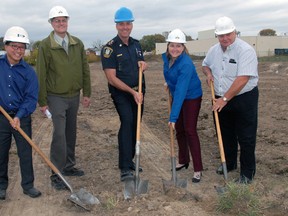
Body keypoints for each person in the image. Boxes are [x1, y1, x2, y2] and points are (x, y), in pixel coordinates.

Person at [36, 6, 91, 190]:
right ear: (51, 23)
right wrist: (42, 101)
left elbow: (85, 69)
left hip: (74, 96)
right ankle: (56, 172)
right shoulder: (45, 45)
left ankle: (69, 166)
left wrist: (87, 93)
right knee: (59, 134)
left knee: (70, 132)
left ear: (67, 21)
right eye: (57, 20)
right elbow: (41, 74)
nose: (61, 23)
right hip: (55, 97)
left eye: (64, 20)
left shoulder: (77, 43)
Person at [202, 16, 259, 184]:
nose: (225, 38)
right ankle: (230, 163)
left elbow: (243, 79)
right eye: (221, 35)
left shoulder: (245, 50)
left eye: (228, 34)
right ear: (217, 36)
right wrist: (208, 73)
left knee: (246, 136)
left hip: (243, 98)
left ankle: (247, 173)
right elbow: (205, 64)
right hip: (220, 97)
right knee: (226, 134)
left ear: (235, 32)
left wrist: (224, 99)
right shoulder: (214, 50)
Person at [101, 7, 148, 182]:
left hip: (139, 91)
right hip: (121, 92)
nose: (125, 27)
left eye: (128, 23)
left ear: (132, 25)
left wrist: (144, 66)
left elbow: (141, 63)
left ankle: (130, 160)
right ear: (116, 26)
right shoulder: (109, 48)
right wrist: (131, 92)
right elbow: (111, 78)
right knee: (127, 122)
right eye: (121, 24)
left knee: (136, 124)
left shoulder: (137, 44)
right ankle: (125, 167)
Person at [0, 26, 41, 199]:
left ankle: (28, 185)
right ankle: (1, 186)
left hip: (21, 117)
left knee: (25, 152)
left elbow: (31, 98)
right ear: (6, 46)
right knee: (1, 153)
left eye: (22, 47)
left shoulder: (29, 72)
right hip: (1, 117)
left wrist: (18, 116)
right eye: (14, 46)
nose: (18, 50)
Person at [162, 29, 203, 183]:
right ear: (168, 46)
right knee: (179, 129)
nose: (175, 49)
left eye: (179, 46)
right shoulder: (167, 59)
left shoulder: (186, 63)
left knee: (190, 130)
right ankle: (183, 160)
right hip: (177, 94)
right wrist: (168, 82)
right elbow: (170, 74)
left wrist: (173, 116)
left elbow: (181, 91)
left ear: (184, 47)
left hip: (191, 96)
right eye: (172, 45)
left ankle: (198, 168)